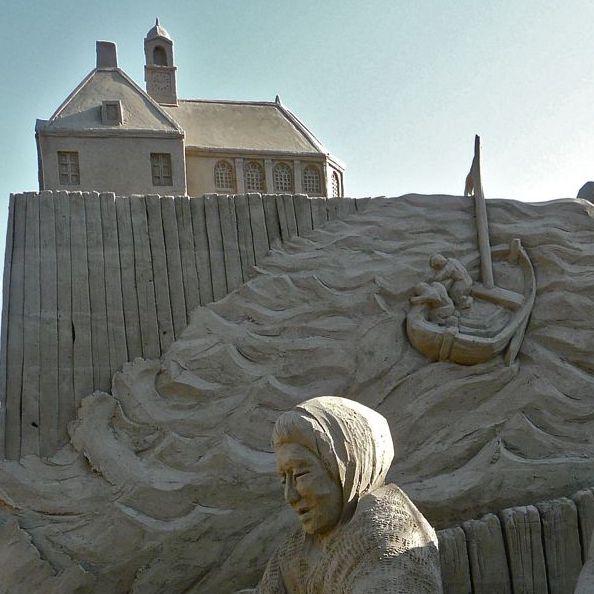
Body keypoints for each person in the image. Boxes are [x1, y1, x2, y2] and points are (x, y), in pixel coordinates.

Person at [253, 396, 443, 593]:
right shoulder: (297, 549)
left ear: (346, 468)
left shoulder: (390, 543)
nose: (290, 496)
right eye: (284, 479)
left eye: (300, 475)